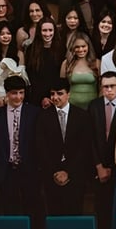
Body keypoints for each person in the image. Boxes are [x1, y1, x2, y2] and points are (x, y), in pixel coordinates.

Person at [0, 76, 42, 229]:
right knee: (8, 207)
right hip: (6, 170)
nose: (18, 97)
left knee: (32, 207)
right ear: (7, 93)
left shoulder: (34, 113)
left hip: (29, 169)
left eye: (21, 92)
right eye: (14, 93)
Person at [36, 78, 91, 216]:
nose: (55, 97)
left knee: (75, 213)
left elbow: (84, 147)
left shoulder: (82, 116)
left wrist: (68, 172)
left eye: (59, 93)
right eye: (52, 94)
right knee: (54, 213)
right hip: (51, 175)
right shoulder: (42, 117)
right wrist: (55, 172)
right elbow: (41, 147)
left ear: (69, 94)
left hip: (75, 175)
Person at [89, 71, 116, 229]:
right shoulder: (94, 106)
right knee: (101, 210)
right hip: (98, 168)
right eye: (105, 86)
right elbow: (89, 140)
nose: (109, 90)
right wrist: (98, 166)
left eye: (112, 86)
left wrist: (113, 166)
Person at [61, 31, 100, 108]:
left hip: (93, 107)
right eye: (77, 47)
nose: (81, 49)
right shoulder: (66, 64)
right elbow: (61, 87)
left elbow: (102, 87)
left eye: (83, 46)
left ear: (88, 46)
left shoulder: (96, 63)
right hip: (72, 106)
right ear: (72, 48)